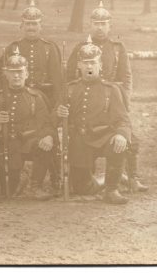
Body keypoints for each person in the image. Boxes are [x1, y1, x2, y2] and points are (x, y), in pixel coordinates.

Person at [66, 2, 148, 192]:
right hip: (88, 102)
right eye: (96, 23)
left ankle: (131, 177)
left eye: (104, 23)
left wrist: (123, 101)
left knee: (129, 138)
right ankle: (90, 177)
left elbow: (126, 77)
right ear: (90, 25)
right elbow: (70, 76)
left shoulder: (117, 48)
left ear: (110, 26)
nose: (100, 27)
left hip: (112, 101)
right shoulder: (82, 48)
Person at [0, 1, 62, 192]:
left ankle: (56, 177)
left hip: (45, 101)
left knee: (50, 136)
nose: (31, 28)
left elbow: (58, 80)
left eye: (35, 24)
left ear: (41, 26)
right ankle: (15, 174)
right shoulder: (12, 48)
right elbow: (0, 75)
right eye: (27, 24)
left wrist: (57, 105)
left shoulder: (50, 48)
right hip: (17, 99)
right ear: (21, 26)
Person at [56, 38, 132, 204]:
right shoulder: (70, 89)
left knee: (118, 145)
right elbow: (53, 119)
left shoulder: (111, 90)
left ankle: (112, 190)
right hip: (80, 140)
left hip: (105, 137)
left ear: (100, 65)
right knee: (82, 188)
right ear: (79, 66)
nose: (89, 67)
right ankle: (100, 181)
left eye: (93, 63)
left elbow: (123, 120)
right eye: (85, 63)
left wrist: (121, 135)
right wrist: (59, 113)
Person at [0, 48, 56, 200]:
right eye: (12, 72)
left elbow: (46, 123)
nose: (16, 75)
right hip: (8, 144)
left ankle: (35, 185)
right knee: (8, 191)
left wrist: (48, 136)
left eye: (20, 72)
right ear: (6, 74)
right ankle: (20, 179)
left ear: (26, 74)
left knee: (45, 145)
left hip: (30, 142)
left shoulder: (35, 97)